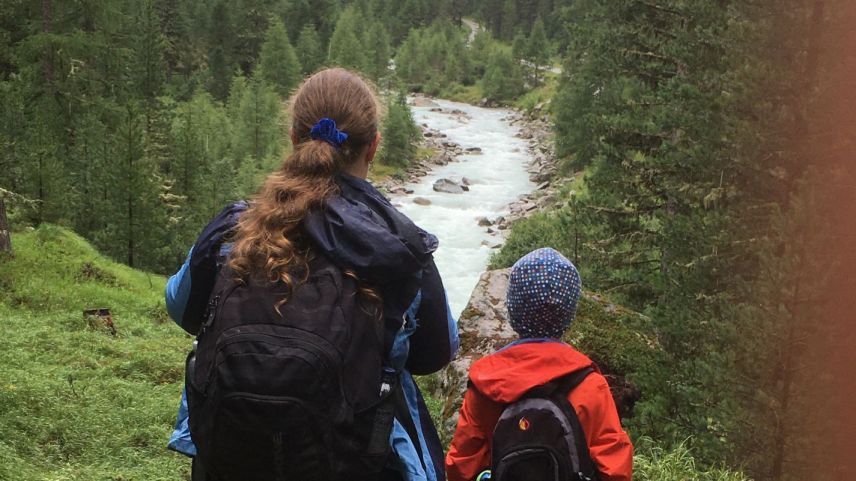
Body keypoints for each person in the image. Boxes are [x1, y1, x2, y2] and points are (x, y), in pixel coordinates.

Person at [164, 68, 458, 481]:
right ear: (373, 147)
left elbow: (181, 307)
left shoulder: (232, 229)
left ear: (292, 138)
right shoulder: (398, 249)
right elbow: (436, 353)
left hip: (229, 459)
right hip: (356, 462)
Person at [445, 248, 632, 481]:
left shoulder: (487, 383)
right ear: (569, 314)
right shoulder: (590, 384)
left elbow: (461, 467)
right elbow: (615, 469)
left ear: (512, 308)